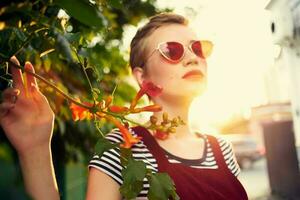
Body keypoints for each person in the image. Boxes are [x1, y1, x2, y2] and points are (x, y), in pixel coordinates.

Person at [0, 13, 248, 200]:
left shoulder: (221, 149)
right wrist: (35, 150)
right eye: (172, 50)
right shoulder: (120, 148)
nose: (193, 57)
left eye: (198, 48)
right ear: (142, 77)